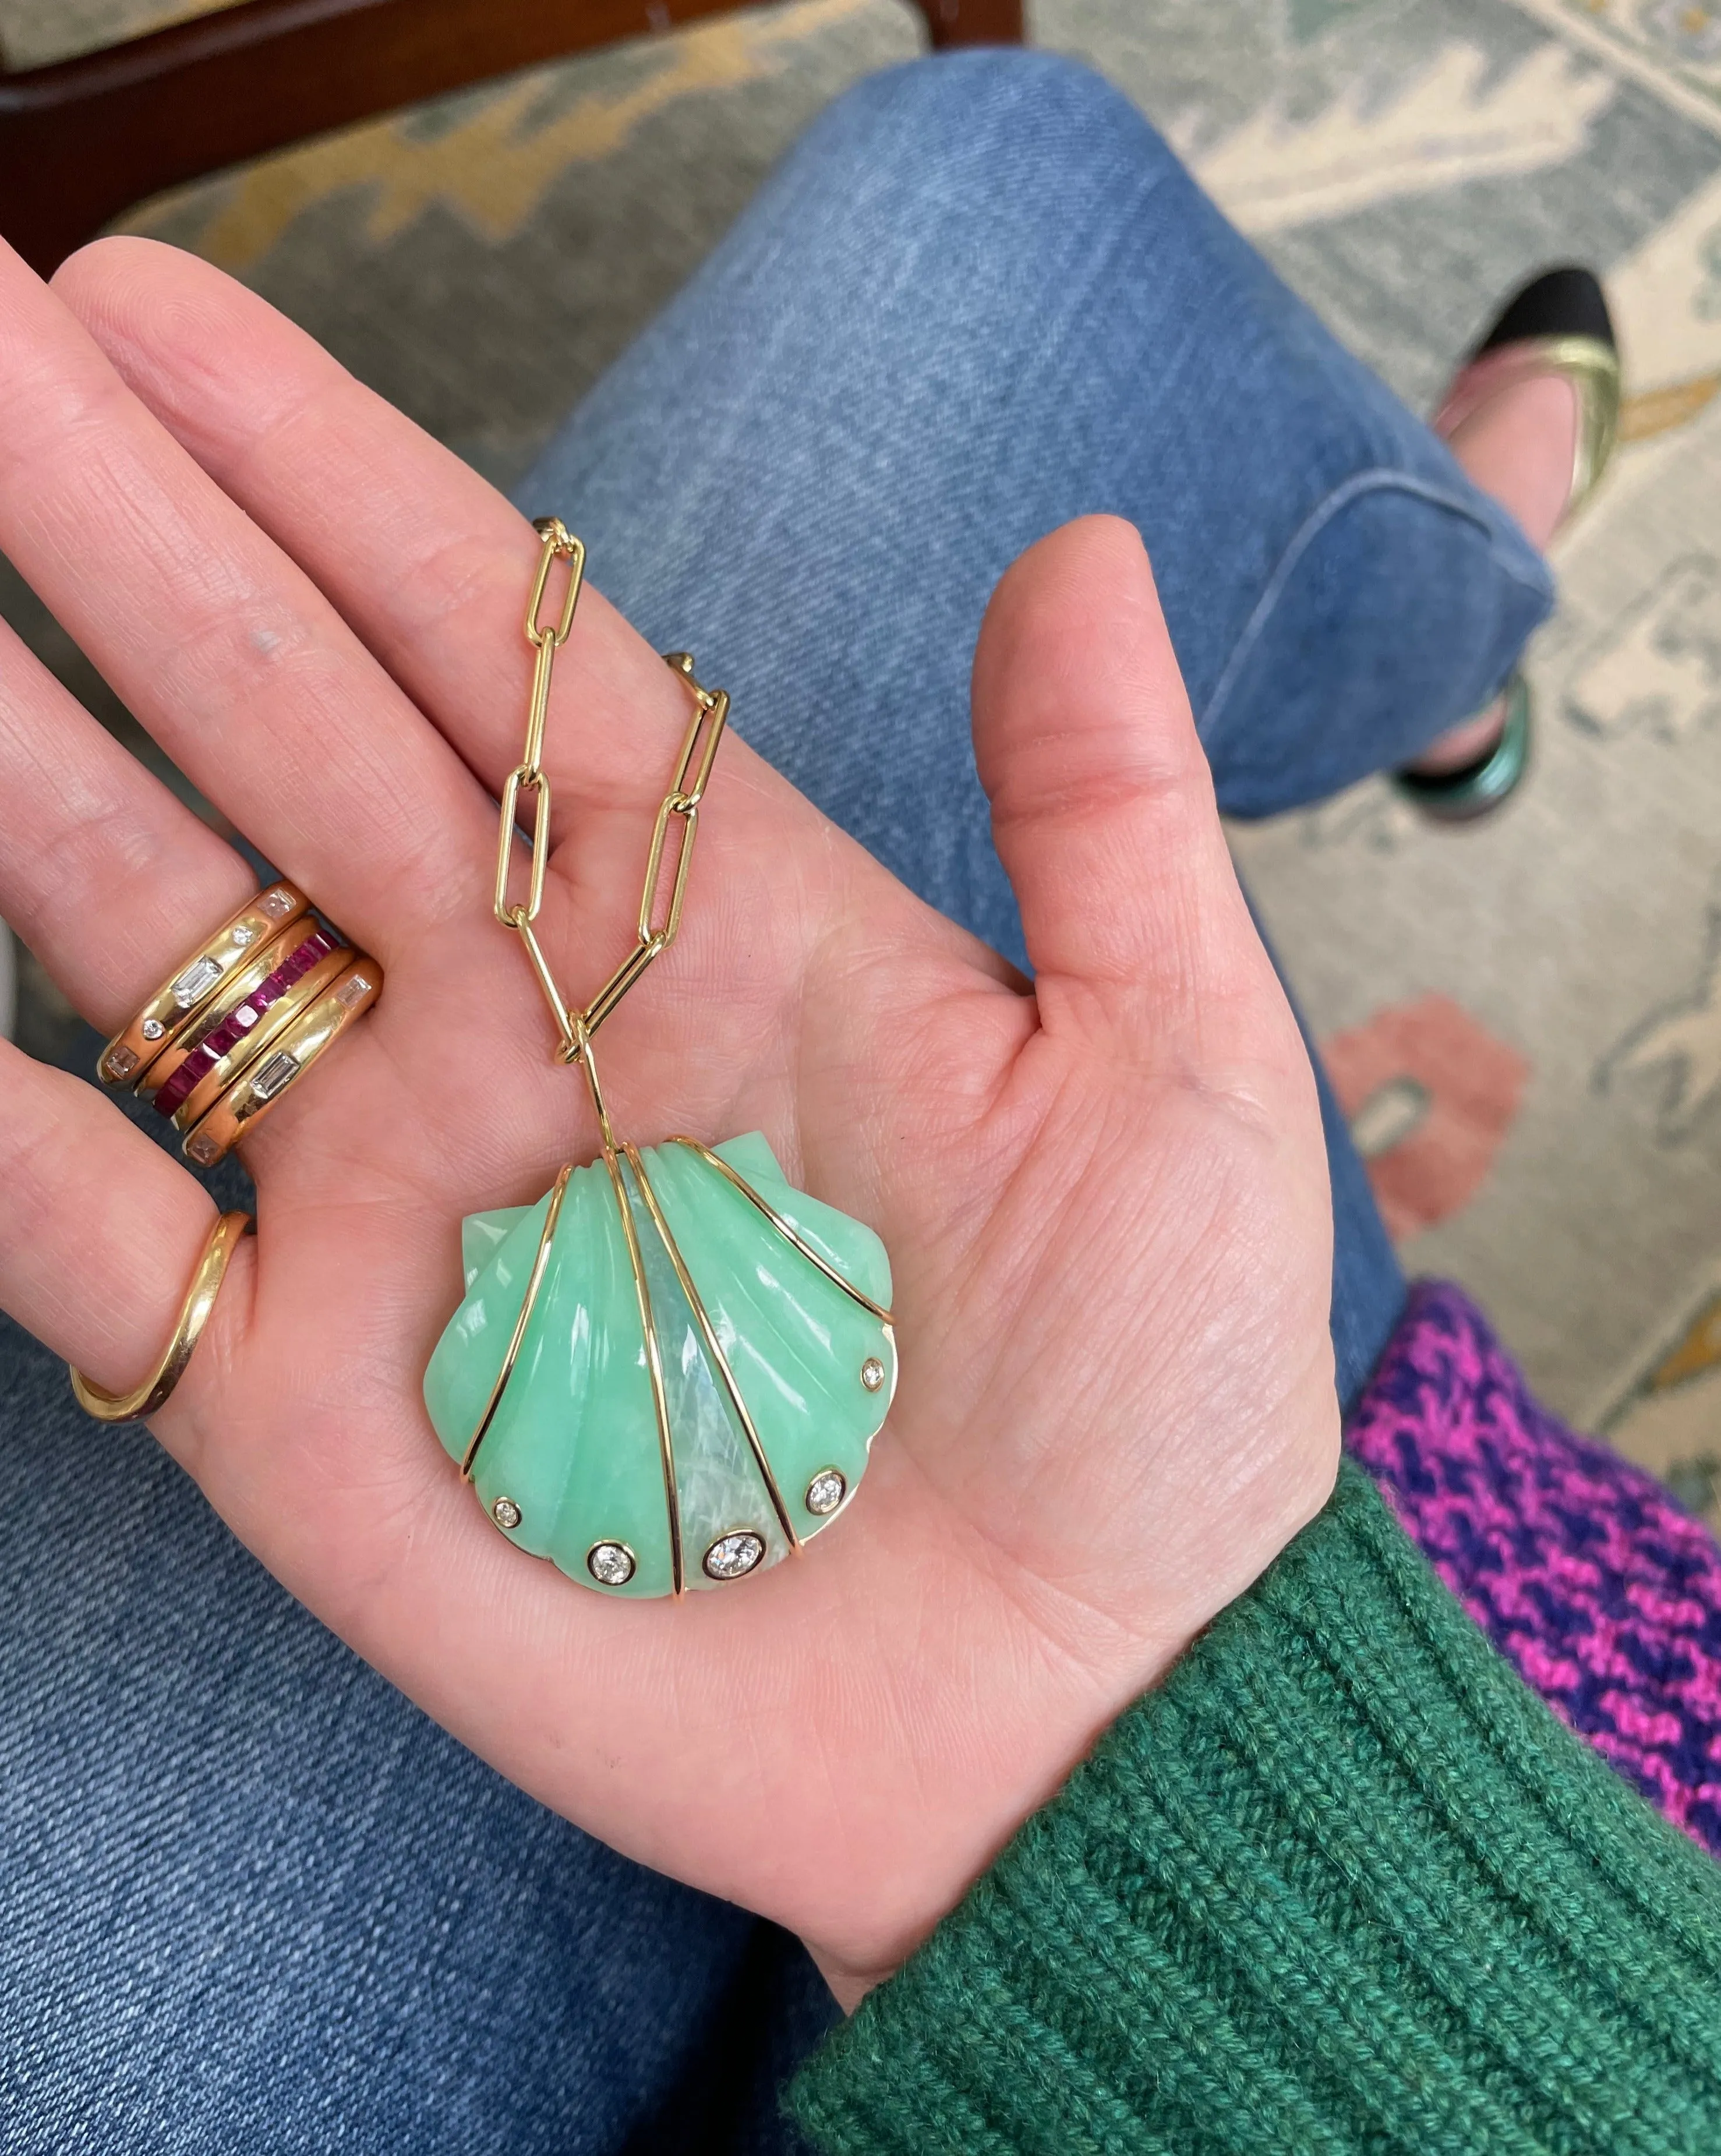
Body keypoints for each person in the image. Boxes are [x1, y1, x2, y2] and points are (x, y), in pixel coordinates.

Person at [0, 45, 1717, 2154]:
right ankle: (1452, 601)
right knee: (991, 181)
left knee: (996, 191)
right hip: (1409, 1765)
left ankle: (1444, 581)